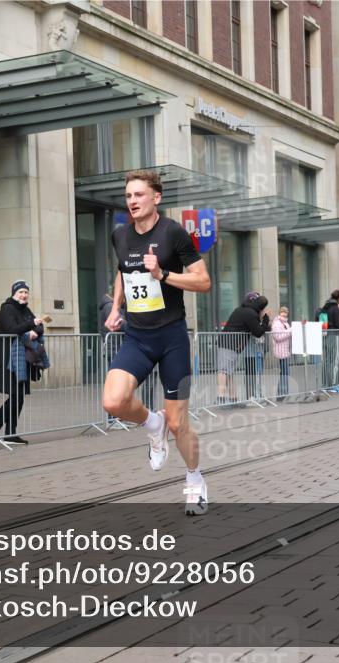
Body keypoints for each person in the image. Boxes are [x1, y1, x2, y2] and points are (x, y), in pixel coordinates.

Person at [101, 170, 212, 516]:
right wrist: (116, 308)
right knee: (113, 401)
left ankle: (195, 480)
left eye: (139, 194)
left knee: (179, 424)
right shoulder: (120, 235)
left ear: (156, 197)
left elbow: (203, 281)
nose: (132, 201)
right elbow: (122, 272)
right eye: (128, 196)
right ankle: (152, 423)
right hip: (137, 336)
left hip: (172, 338)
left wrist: (163, 274)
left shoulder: (173, 233)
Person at [0, 281, 47, 445]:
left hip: (23, 358)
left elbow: (39, 326)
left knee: (19, 397)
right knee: (16, 395)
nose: (24, 295)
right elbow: (11, 329)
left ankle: (10, 433)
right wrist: (31, 326)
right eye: (20, 292)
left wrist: (35, 332)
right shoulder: (7, 309)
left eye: (26, 292)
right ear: (14, 293)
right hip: (10, 359)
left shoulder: (26, 309)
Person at [217, 294, 271, 405]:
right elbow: (258, 332)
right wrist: (266, 319)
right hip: (229, 344)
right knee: (224, 371)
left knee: (229, 372)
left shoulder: (242, 309)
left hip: (231, 344)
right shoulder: (251, 314)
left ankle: (233, 399)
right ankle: (221, 398)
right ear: (261, 308)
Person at [318, 290, 339, 392]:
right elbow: (338, 324)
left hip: (325, 336)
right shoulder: (335, 308)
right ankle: (334, 384)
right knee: (335, 361)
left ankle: (326, 384)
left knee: (326, 361)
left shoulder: (325, 307)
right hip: (334, 336)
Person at [270, 306, 292, 400]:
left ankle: (282, 394)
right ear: (279, 312)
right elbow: (278, 337)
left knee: (285, 372)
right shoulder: (277, 323)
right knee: (285, 372)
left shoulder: (285, 323)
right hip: (281, 350)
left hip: (285, 350)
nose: (284, 313)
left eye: (286, 312)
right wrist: (290, 331)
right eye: (283, 312)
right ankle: (282, 394)